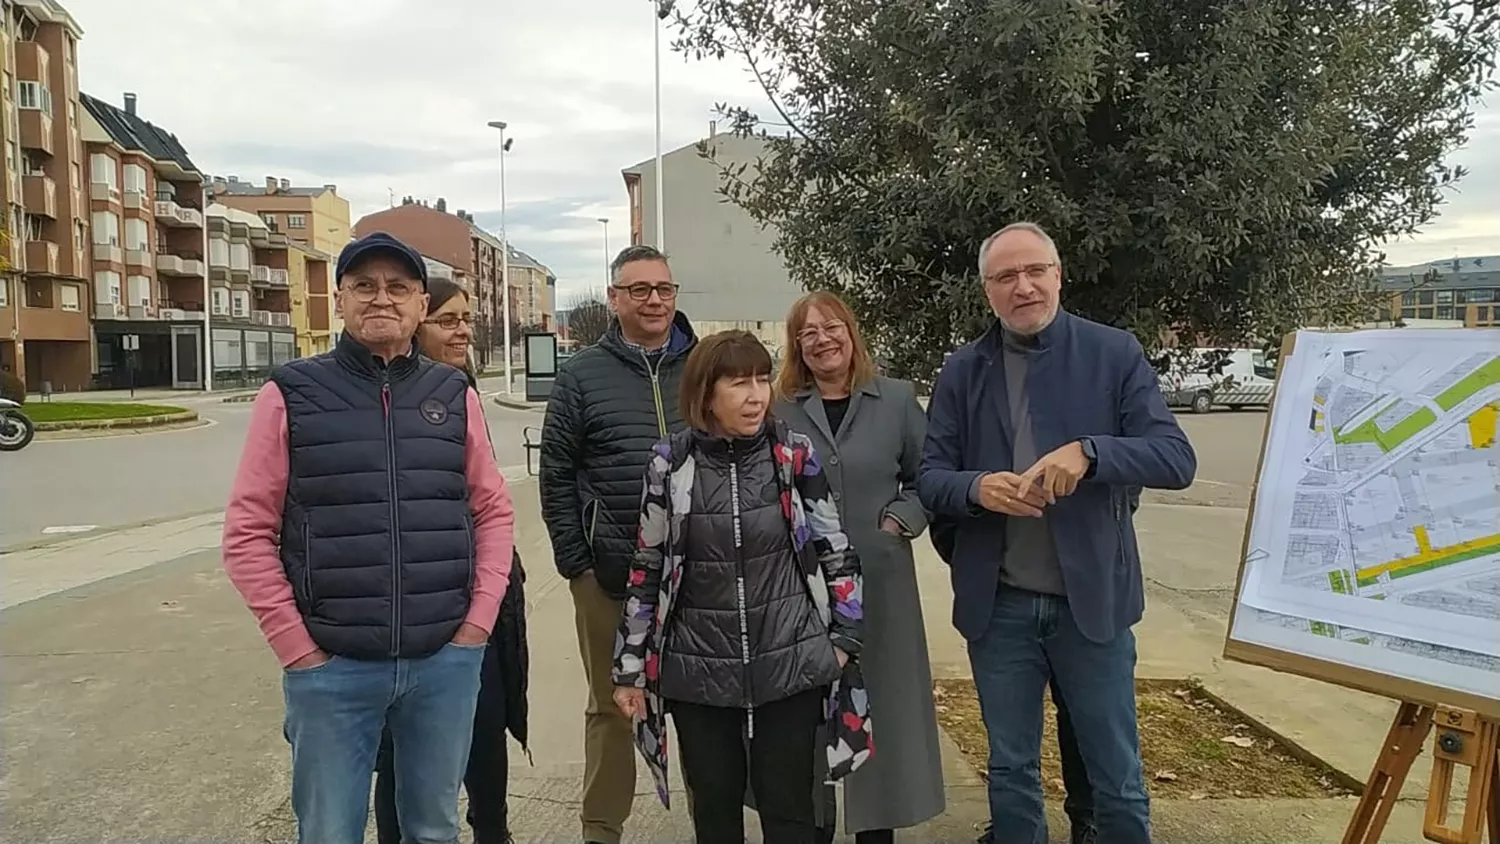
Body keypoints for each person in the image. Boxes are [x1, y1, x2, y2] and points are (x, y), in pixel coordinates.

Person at [222, 231, 516, 844]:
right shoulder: (291, 393)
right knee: (330, 831)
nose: (381, 298)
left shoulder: (451, 393)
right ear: (340, 300)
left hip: (444, 662)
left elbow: (492, 511)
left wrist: (475, 629)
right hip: (332, 668)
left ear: (417, 304)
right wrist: (298, 650)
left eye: (398, 287)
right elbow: (247, 532)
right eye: (364, 285)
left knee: (432, 829)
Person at [919, 222, 1196, 844]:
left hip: (1091, 605)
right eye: (1006, 277)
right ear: (987, 290)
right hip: (1001, 608)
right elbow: (930, 479)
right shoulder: (963, 371)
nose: (1023, 287)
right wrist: (977, 488)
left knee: (1116, 775)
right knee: (1011, 770)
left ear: (1058, 275)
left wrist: (1091, 454)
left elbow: (1175, 459)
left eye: (1035, 271)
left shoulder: (1113, 352)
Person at [611, 330, 872, 844]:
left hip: (789, 662)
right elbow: (648, 566)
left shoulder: (793, 455)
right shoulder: (670, 462)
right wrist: (630, 668)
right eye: (738, 383)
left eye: (761, 379)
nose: (756, 395)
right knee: (714, 811)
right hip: (697, 669)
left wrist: (844, 641)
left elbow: (835, 548)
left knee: (792, 810)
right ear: (707, 392)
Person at [770, 292, 944, 843]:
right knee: (808, 712)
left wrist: (900, 519)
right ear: (796, 346)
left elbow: (930, 476)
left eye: (832, 326)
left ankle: (875, 829)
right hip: (802, 586)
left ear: (852, 330)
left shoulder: (894, 400)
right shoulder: (779, 408)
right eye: (808, 332)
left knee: (883, 707)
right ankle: (812, 824)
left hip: (882, 581)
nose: (822, 339)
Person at [538, 244, 698, 844]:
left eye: (663, 288)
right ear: (614, 298)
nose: (653, 299)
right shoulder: (581, 374)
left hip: (698, 574)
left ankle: (716, 821)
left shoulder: (703, 365)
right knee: (612, 707)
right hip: (611, 574)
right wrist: (576, 563)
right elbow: (556, 471)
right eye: (639, 290)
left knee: (705, 709)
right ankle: (601, 829)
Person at [373, 277, 529, 844]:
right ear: (416, 322)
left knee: (487, 724)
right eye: (448, 319)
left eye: (466, 318)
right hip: (415, 597)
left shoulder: (460, 389)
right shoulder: (390, 394)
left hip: (479, 593)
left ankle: (493, 829)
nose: (463, 329)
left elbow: (486, 499)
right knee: (403, 747)